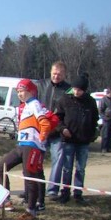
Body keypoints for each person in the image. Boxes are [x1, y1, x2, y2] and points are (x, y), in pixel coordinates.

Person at [0, 79, 51, 220]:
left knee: (29, 175)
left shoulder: (35, 104)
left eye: (22, 91)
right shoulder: (24, 106)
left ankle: (31, 210)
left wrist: (42, 138)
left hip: (32, 145)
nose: (19, 94)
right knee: (0, 167)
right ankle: (6, 199)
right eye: (18, 92)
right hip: (22, 144)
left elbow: (44, 122)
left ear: (31, 91)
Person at [54, 75, 99, 205]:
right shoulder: (64, 100)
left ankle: (78, 194)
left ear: (84, 90)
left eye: (79, 90)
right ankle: (65, 193)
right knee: (67, 168)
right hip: (68, 139)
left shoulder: (90, 101)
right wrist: (62, 129)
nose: (76, 92)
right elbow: (57, 118)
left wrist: (91, 133)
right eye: (74, 89)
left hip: (84, 141)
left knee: (81, 168)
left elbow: (95, 118)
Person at [37, 61, 71, 199]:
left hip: (58, 130)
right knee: (36, 160)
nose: (56, 76)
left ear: (64, 74)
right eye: (54, 73)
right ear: (50, 72)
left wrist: (62, 127)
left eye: (59, 74)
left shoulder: (68, 90)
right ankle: (34, 188)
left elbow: (69, 111)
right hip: (41, 129)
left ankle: (52, 190)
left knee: (58, 159)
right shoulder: (41, 85)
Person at [99, 87, 111, 153]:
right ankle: (103, 148)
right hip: (106, 120)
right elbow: (101, 110)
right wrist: (104, 117)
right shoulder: (103, 100)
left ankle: (109, 148)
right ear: (108, 93)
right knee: (105, 135)